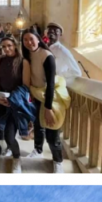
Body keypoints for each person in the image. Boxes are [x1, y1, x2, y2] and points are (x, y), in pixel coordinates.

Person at [22, 28, 68, 173]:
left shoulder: (46, 55)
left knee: (52, 133)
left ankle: (58, 161)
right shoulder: (28, 54)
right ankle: (38, 150)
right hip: (36, 94)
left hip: (49, 98)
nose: (29, 43)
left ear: (38, 38)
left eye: (31, 39)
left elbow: (51, 85)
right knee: (37, 126)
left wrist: (48, 108)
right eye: (25, 40)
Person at [0, 36, 26, 172]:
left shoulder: (23, 61)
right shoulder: (0, 60)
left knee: (9, 135)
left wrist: (14, 99)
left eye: (9, 45)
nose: (7, 49)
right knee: (4, 130)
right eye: (4, 46)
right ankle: (12, 149)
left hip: (16, 102)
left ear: (15, 45)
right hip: (2, 101)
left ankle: (17, 159)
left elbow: (25, 84)